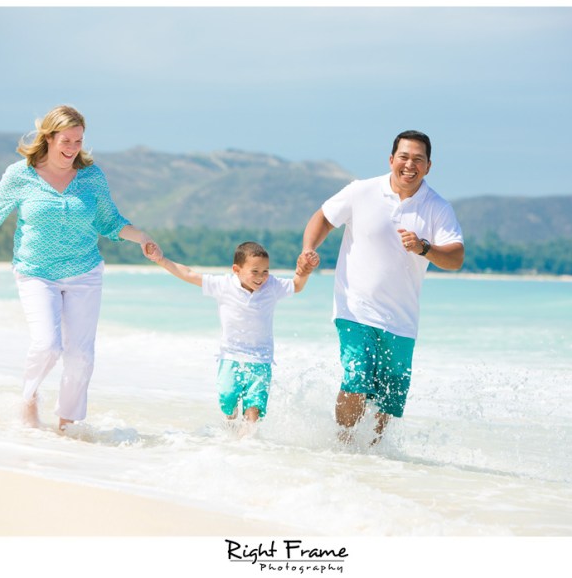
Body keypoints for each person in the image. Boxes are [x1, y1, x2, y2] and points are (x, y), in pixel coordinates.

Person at [0, 105, 160, 431]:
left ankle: (66, 427)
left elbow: (110, 221)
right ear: (49, 138)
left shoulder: (91, 176)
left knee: (81, 357)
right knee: (47, 345)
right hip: (36, 272)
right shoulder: (20, 175)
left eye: (78, 141)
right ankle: (29, 396)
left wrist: (142, 237)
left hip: (85, 273)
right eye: (66, 140)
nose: (72, 148)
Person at [302, 130, 464, 445]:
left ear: (429, 166)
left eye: (418, 159)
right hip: (355, 308)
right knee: (356, 379)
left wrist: (424, 247)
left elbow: (456, 257)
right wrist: (309, 248)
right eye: (403, 157)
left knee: (387, 399)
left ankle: (375, 458)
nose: (409, 165)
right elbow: (323, 218)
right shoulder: (361, 191)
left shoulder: (437, 207)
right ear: (391, 160)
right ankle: (343, 445)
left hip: (401, 320)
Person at [145, 240, 319, 436]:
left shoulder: (272, 286)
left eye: (265, 271)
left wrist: (305, 271)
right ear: (236, 269)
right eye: (255, 271)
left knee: (255, 407)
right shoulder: (223, 285)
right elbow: (189, 274)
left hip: (260, 359)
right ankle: (229, 428)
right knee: (227, 400)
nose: (261, 277)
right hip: (230, 356)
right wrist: (161, 259)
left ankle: (247, 444)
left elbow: (297, 285)